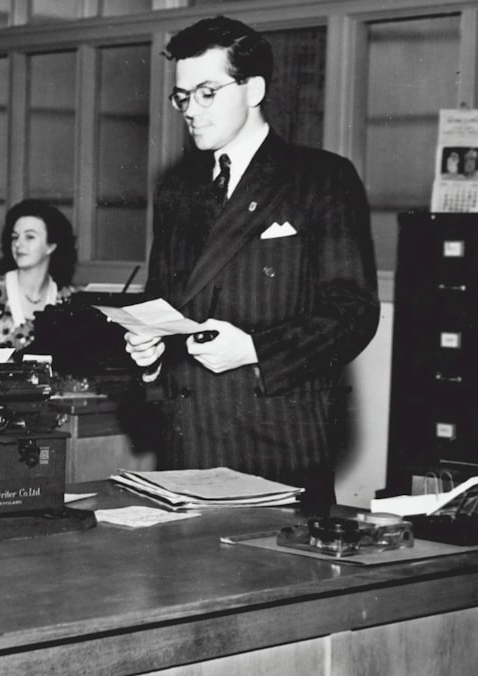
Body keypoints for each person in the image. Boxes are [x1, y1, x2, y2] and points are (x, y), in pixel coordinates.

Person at [124, 16, 379, 514]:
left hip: (276, 449)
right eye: (182, 97)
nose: (191, 111)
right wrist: (149, 352)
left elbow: (353, 311)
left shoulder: (320, 178)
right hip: (185, 450)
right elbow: (163, 301)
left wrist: (255, 349)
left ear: (254, 88)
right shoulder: (177, 190)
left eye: (207, 92)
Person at [0, 199, 77, 349]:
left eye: (29, 237)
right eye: (15, 237)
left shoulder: (68, 298)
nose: (18, 244)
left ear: (51, 246)